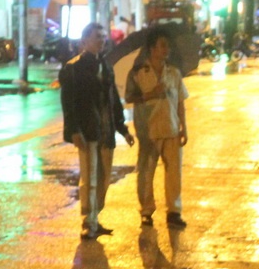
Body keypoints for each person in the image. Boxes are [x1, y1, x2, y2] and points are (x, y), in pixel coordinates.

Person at [59, 23, 133, 240]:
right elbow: (68, 103)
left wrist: (122, 128)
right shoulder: (73, 68)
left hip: (106, 130)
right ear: (84, 41)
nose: (101, 40)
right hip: (87, 131)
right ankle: (87, 221)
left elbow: (113, 101)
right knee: (89, 178)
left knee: (103, 179)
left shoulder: (106, 66)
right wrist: (74, 131)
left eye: (103, 36)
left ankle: (95, 217)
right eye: (96, 37)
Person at [125, 27, 189, 228]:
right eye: (162, 45)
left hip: (171, 128)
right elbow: (129, 97)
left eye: (167, 46)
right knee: (146, 173)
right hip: (148, 131)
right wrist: (151, 93)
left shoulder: (174, 73)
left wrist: (183, 127)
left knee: (174, 174)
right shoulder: (138, 72)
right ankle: (146, 211)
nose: (166, 49)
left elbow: (180, 101)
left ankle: (174, 211)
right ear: (152, 48)